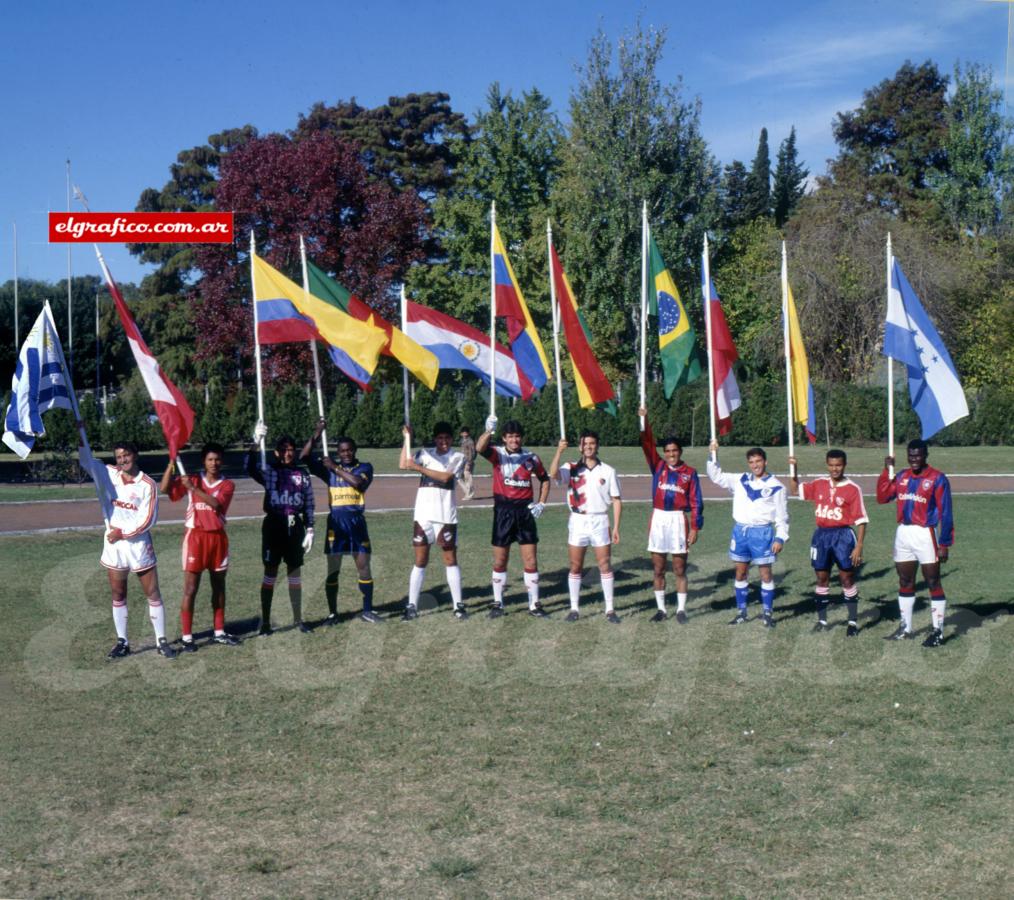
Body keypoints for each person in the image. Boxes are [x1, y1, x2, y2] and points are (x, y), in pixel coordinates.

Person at [160, 443, 239, 650]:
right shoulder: (192, 478)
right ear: (204, 461)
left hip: (218, 539)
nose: (214, 463)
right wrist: (171, 463)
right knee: (190, 589)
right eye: (210, 459)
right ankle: (187, 637)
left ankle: (219, 631)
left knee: (219, 586)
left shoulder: (227, 484)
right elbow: (165, 489)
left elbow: (216, 504)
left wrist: (193, 489)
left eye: (217, 459)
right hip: (195, 538)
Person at [301, 419, 380, 624]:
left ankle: (367, 610)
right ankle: (333, 613)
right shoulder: (328, 470)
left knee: (364, 566)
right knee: (333, 570)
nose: (346, 454)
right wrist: (317, 433)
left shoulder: (364, 467)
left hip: (356, 522)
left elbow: (358, 484)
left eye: (349, 450)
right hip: (335, 523)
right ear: (338, 452)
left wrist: (335, 468)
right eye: (342, 451)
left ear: (354, 450)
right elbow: (304, 457)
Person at [876, 440, 954, 647]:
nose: (914, 460)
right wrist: (886, 471)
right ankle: (905, 627)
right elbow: (882, 497)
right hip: (903, 533)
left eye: (918, 455)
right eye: (911, 456)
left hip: (925, 533)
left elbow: (946, 512)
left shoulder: (937, 478)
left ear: (926, 455)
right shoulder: (901, 476)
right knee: (905, 580)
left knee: (932, 581)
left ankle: (938, 631)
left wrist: (944, 542)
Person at [102, 440, 176, 660]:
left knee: (152, 593)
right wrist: (80, 429)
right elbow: (87, 459)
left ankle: (161, 641)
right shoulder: (108, 474)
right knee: (118, 594)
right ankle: (122, 642)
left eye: (126, 455)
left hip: (138, 546)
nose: (122, 460)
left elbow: (148, 520)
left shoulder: (147, 484)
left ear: (135, 455)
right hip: (114, 546)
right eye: (118, 457)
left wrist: (123, 533)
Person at [707, 440, 789, 627]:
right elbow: (716, 476)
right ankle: (741, 612)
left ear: (765, 462)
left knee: (765, 574)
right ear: (748, 464)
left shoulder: (777, 487)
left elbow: (783, 517)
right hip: (741, 532)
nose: (755, 465)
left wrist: (780, 537)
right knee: (740, 572)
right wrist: (713, 455)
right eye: (751, 462)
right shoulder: (741, 479)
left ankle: (767, 613)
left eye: (758, 461)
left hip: (763, 534)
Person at [475, 417, 551, 618]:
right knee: (500, 560)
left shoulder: (531, 458)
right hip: (503, 512)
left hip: (525, 513)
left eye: (517, 436)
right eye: (510, 436)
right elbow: (479, 448)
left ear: (521, 438)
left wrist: (542, 502)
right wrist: (488, 431)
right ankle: (498, 603)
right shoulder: (497, 454)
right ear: (504, 438)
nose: (514, 440)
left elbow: (545, 480)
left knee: (531, 560)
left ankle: (534, 604)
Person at [789, 450, 867, 637]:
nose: (835, 469)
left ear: (844, 465)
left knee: (846, 579)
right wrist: (794, 469)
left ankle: (852, 622)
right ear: (826, 465)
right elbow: (794, 490)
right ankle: (822, 620)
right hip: (822, 536)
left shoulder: (853, 488)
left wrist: (859, 546)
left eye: (838, 465)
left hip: (843, 536)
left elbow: (862, 520)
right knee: (822, 578)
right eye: (831, 465)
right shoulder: (819, 484)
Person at [247, 423, 315, 635]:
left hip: (295, 527)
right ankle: (266, 623)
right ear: (276, 452)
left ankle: (297, 619)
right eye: (283, 450)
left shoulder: (302, 475)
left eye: (290, 450)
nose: (287, 454)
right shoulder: (270, 472)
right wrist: (255, 443)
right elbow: (248, 468)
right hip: (274, 525)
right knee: (271, 573)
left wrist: (311, 528)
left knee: (295, 574)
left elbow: (309, 503)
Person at [638, 407, 703, 624]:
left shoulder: (690, 473)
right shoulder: (657, 467)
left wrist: (695, 527)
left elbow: (696, 502)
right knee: (658, 568)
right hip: (659, 519)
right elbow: (647, 444)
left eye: (674, 451)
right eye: (667, 451)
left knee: (679, 568)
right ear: (664, 453)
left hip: (677, 520)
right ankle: (661, 609)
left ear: (680, 452)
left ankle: (681, 610)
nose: (671, 454)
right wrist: (644, 420)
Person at [549, 430, 622, 622]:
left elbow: (616, 500)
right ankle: (574, 609)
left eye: (592, 443)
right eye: (585, 443)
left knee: (604, 565)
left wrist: (615, 527)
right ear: (580, 446)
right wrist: (559, 452)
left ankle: (610, 609)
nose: (589, 447)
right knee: (575, 566)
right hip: (578, 520)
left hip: (600, 520)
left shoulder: (608, 471)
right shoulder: (571, 467)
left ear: (597, 446)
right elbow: (553, 474)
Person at [400, 421, 467, 620]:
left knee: (450, 559)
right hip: (423, 515)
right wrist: (407, 438)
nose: (443, 441)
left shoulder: (458, 456)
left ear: (451, 439)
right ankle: (412, 605)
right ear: (435, 439)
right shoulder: (424, 454)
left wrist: (419, 468)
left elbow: (446, 477)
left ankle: (458, 605)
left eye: (447, 438)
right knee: (420, 560)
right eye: (440, 438)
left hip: (445, 515)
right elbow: (404, 464)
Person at [458, 427, 477, 501]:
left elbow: (472, 452)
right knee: (459, 477)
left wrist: (469, 462)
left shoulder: (470, 441)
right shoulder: (462, 441)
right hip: (462, 461)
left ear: (468, 433)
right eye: (463, 432)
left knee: (468, 478)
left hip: (468, 462)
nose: (464, 434)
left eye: (466, 432)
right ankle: (468, 492)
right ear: (461, 434)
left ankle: (469, 494)